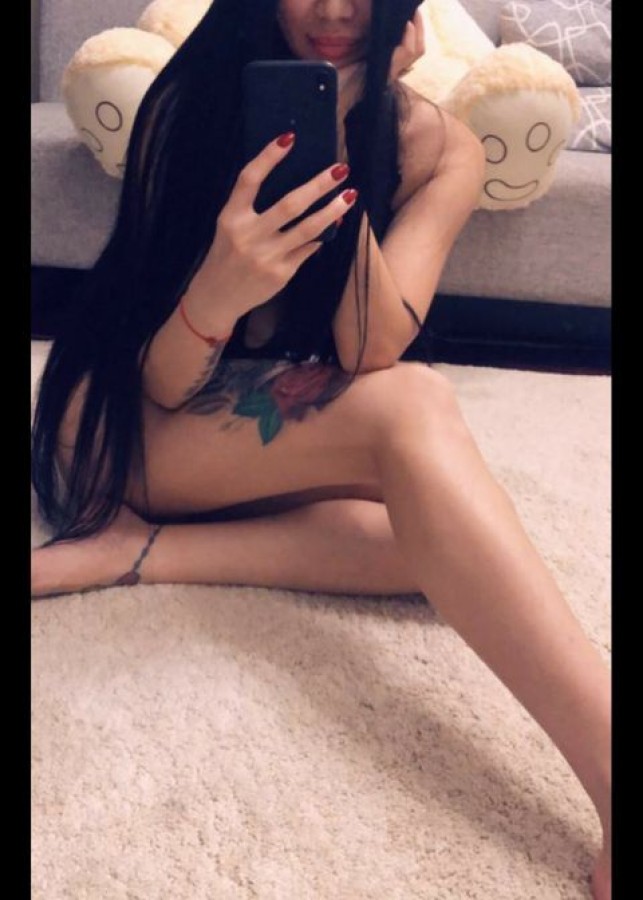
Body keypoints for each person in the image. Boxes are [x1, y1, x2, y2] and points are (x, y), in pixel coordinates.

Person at [30, 2, 611, 896]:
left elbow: (366, 346)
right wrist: (220, 288)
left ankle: (142, 550)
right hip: (122, 420)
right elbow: (163, 382)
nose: (336, 8)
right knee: (414, 414)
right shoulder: (189, 105)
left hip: (255, 432)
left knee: (443, 542)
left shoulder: (443, 147)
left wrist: (346, 136)